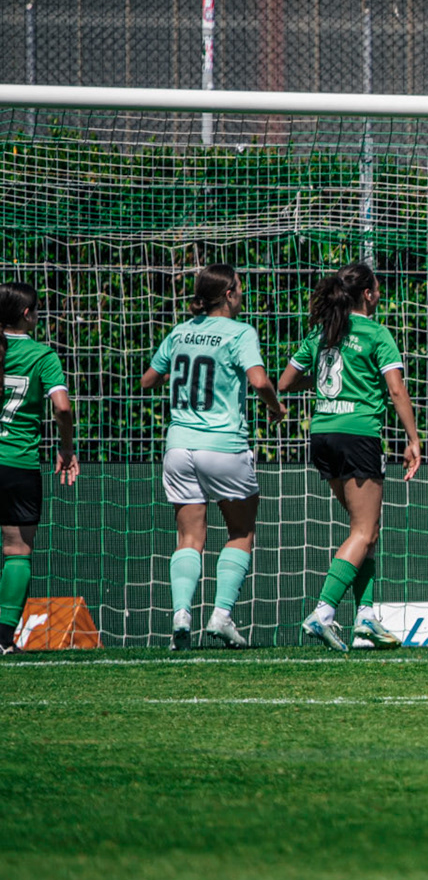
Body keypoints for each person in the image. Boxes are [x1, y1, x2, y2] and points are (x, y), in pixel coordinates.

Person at [138, 265, 285, 650]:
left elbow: (148, 380)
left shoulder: (180, 331)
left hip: (178, 446)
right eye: (240, 287)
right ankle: (220, 615)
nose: (243, 293)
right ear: (229, 294)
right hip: (223, 446)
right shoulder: (240, 332)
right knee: (241, 532)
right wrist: (276, 407)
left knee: (189, 536)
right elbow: (258, 380)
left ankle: (181, 616)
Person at [278, 263, 422, 653]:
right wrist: (413, 439)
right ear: (368, 294)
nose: (380, 294)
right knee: (363, 531)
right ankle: (323, 612)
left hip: (323, 433)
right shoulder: (376, 333)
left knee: (368, 530)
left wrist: (324, 382)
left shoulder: (323, 331)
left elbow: (286, 382)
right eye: (377, 288)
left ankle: (366, 618)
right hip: (358, 435)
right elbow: (396, 390)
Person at [0, 283, 78, 654]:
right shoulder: (42, 355)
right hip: (17, 463)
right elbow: (62, 406)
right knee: (17, 550)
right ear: (27, 314)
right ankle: (2, 640)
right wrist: (66, 445)